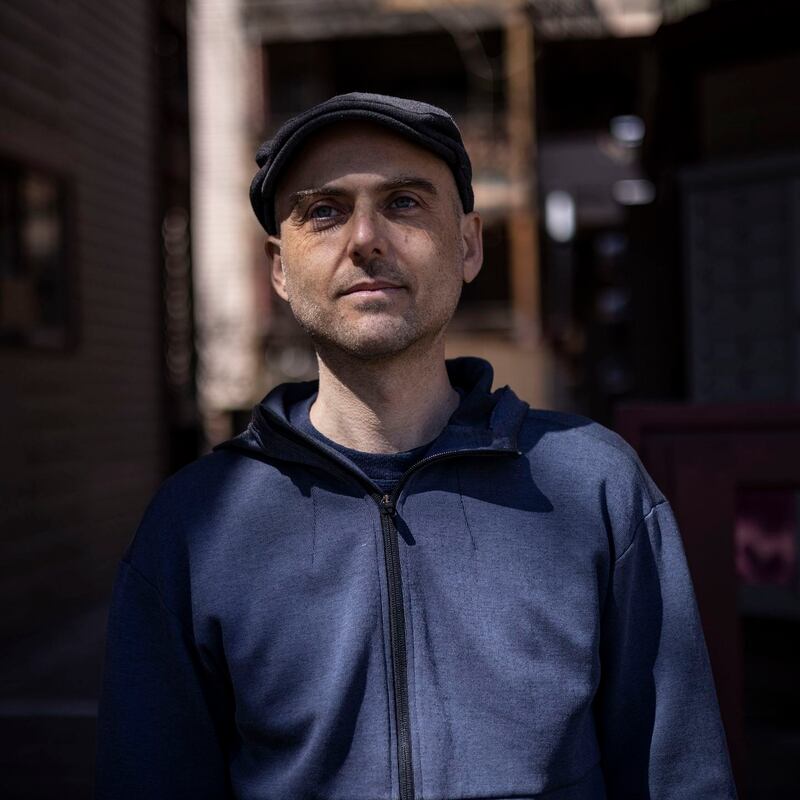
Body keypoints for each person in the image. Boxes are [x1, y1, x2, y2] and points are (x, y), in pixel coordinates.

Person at [96, 93, 737, 799]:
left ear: (468, 245)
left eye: (403, 203)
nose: (366, 237)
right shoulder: (195, 528)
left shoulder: (596, 485)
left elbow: (680, 775)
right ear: (278, 268)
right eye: (325, 211)